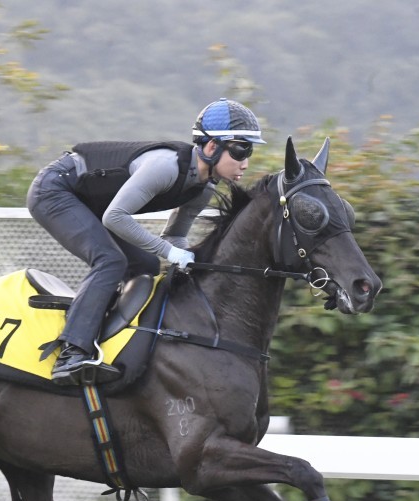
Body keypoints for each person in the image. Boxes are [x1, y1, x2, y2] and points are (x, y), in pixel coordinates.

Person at [27, 98, 265, 386]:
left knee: (146, 264)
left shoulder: (202, 189)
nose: (246, 162)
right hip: (56, 190)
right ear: (212, 147)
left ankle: (107, 336)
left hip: (91, 203)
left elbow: (174, 237)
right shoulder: (164, 167)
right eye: (241, 150)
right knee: (110, 260)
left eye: (248, 151)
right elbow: (115, 217)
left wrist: (192, 259)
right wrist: (171, 252)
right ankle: (72, 354)